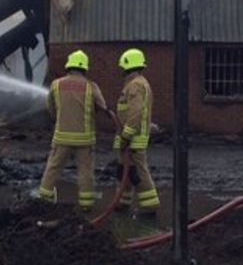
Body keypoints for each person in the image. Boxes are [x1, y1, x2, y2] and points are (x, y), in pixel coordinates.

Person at [38, 50, 112, 210]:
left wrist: (60, 118)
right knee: (85, 172)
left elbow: (50, 108)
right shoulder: (91, 86)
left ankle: (43, 200)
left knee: (53, 168)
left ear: (69, 66)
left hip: (62, 137)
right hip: (84, 139)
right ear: (84, 68)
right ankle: (86, 205)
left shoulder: (56, 85)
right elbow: (102, 107)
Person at [114, 48, 159, 212]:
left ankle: (150, 205)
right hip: (129, 137)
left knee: (138, 171)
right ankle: (123, 201)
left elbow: (136, 111)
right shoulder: (137, 83)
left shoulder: (135, 85)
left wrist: (126, 135)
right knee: (125, 170)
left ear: (127, 65)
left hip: (132, 138)